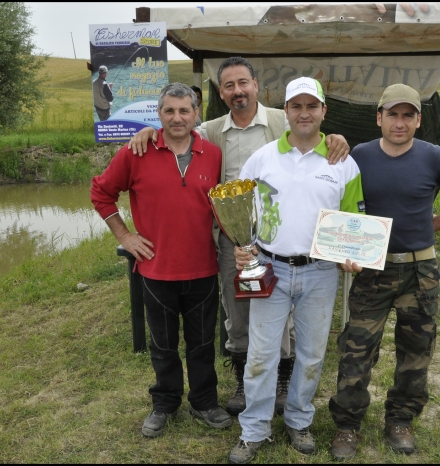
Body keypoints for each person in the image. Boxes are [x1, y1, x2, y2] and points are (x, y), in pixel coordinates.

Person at [128, 57, 350, 419]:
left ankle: (281, 378)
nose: (237, 91)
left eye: (243, 83)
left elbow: (315, 135)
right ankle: (244, 378)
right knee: (240, 310)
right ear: (221, 93)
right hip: (235, 241)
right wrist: (148, 133)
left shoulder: (282, 118)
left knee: (287, 315)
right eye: (228, 86)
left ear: (256, 85)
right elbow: (176, 133)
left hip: (283, 236)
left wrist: (337, 138)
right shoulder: (213, 130)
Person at [328, 83, 440, 459]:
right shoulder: (359, 156)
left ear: (418, 120)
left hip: (420, 271)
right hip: (372, 270)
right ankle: (347, 426)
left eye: (408, 115)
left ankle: (400, 420)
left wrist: (433, 224)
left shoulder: (434, 157)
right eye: (393, 114)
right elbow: (331, 197)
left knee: (416, 352)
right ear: (379, 117)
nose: (400, 123)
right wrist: (341, 248)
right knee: (356, 351)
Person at [228, 77, 365, 464]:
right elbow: (242, 211)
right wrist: (243, 245)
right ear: (285, 112)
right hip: (270, 268)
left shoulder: (342, 162)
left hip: (320, 271)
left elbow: (355, 215)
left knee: (311, 354)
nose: (304, 113)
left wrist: (352, 253)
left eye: (312, 106)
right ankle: (254, 429)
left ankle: (299, 419)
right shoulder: (262, 158)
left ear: (324, 111)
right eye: (296, 106)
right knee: (262, 354)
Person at [90, 83, 232, 438]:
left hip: (202, 269)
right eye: (169, 111)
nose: (177, 118)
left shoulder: (212, 154)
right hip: (155, 270)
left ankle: (204, 401)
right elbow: (101, 193)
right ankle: (165, 402)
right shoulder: (135, 153)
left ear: (197, 114)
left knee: (202, 344)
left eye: (184, 110)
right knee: (163, 344)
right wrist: (125, 236)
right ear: (159, 114)